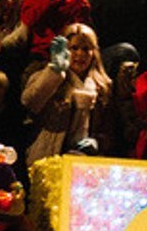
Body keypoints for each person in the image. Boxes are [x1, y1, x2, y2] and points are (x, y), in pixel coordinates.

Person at [21, 23, 115, 163]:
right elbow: (30, 102)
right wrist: (55, 72)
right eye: (74, 48)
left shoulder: (102, 86)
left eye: (86, 49)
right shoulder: (46, 74)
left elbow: (109, 129)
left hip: (83, 162)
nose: (80, 54)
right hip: (47, 157)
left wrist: (97, 142)